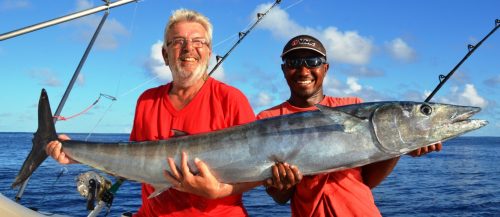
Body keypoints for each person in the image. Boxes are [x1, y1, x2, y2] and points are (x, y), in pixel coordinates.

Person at [46, 9, 260, 216]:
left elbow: (260, 167)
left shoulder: (231, 99)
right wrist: (75, 154)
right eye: (178, 41)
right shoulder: (147, 101)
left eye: (198, 42)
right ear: (165, 55)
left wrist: (219, 192)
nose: (188, 48)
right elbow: (130, 165)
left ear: (208, 52)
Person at [258, 35, 442, 217]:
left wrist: (400, 146)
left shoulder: (353, 106)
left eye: (313, 61)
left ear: (325, 68)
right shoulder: (267, 119)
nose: (304, 70)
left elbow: (367, 180)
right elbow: (280, 198)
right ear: (284, 69)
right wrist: (282, 185)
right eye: (293, 62)